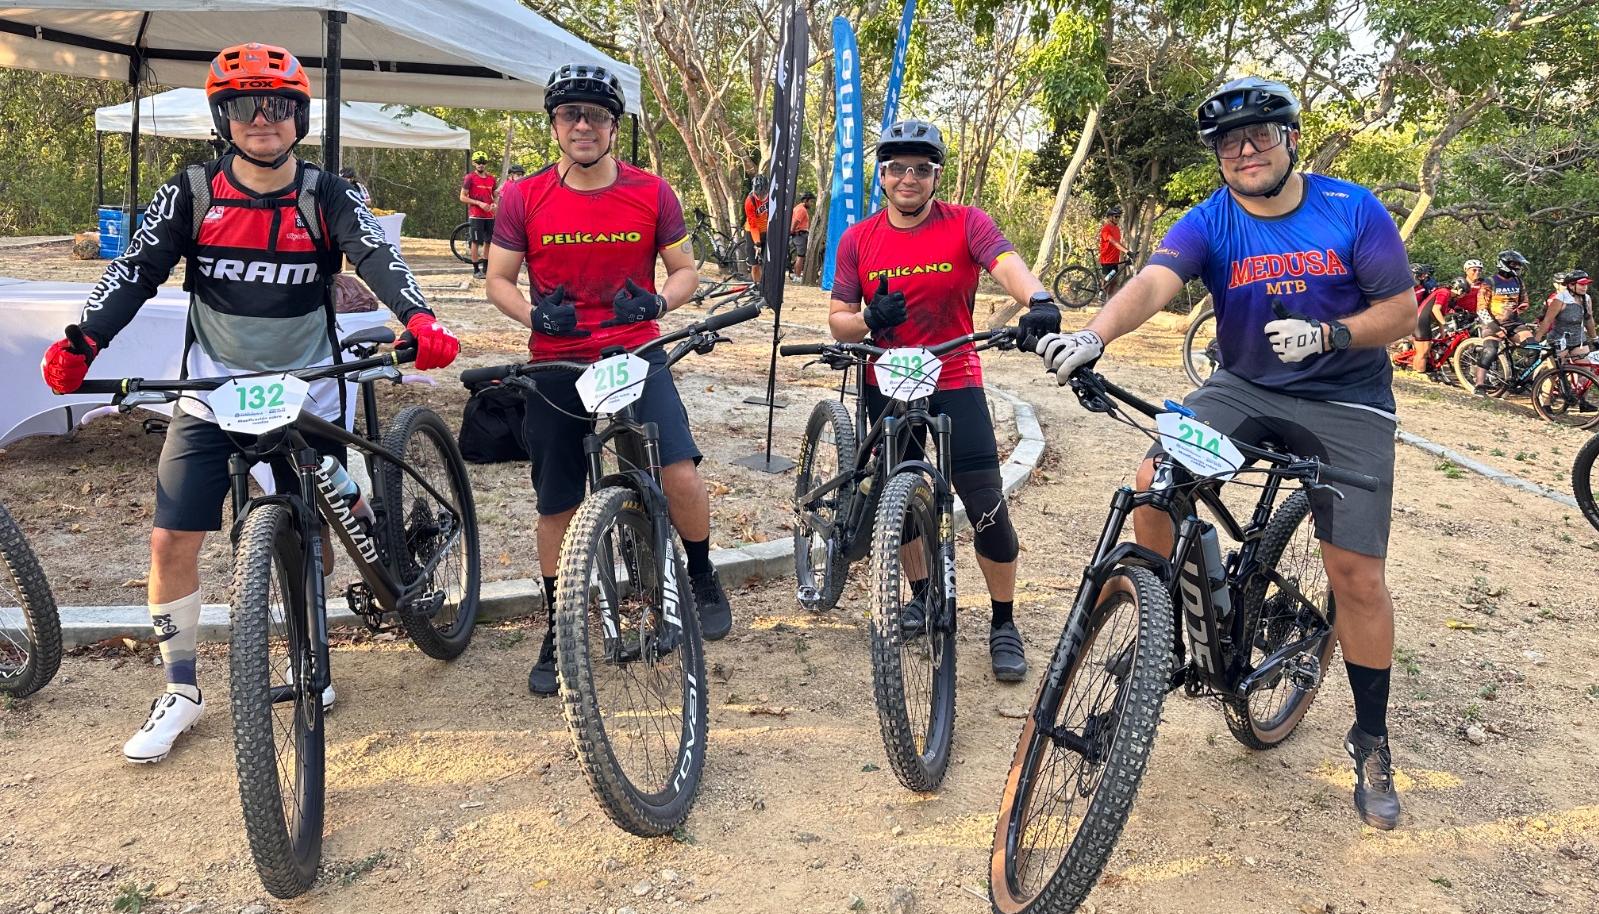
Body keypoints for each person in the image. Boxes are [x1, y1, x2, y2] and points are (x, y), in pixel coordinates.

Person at [38, 42, 460, 764]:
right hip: (213, 391)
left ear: (297, 118)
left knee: (310, 533)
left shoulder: (327, 192)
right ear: (222, 118)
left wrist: (415, 318)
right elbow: (136, 269)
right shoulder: (192, 190)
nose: (261, 121)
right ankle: (180, 688)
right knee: (172, 539)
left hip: (308, 385)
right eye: (244, 107)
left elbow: (375, 255)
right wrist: (84, 339)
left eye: (277, 107)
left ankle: (306, 646)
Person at [1035, 77, 1415, 829]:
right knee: (1153, 480)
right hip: (1245, 386)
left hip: (1347, 398)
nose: (1245, 150)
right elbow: (1154, 281)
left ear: (1289, 139)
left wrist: (1331, 334)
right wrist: (1092, 335)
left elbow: (1400, 312)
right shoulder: (1210, 219)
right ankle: (1166, 631)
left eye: (1260, 135)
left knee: (1356, 577)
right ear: (1216, 155)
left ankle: (1370, 739)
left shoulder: (1351, 209)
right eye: (1229, 142)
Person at [483, 64, 732, 696]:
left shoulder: (652, 192)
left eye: (596, 115)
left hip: (634, 350)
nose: (584, 125)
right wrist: (534, 313)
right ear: (556, 124)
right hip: (556, 359)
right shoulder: (523, 196)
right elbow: (498, 280)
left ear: (614, 127)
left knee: (678, 472)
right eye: (571, 114)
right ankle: (556, 624)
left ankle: (700, 572)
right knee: (557, 502)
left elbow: (684, 272)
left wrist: (657, 305)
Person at [830, 118, 1062, 682]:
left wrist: (1038, 297)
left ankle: (1003, 622)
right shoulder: (858, 239)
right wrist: (866, 319)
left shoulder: (965, 223)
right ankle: (922, 592)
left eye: (921, 169)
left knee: (984, 498)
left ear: (936, 176)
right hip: (886, 378)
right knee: (898, 492)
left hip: (954, 372)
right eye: (897, 168)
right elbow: (838, 323)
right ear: (881, 176)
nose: (908, 178)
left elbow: (1005, 263)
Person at [1473, 250, 1532, 394]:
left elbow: (1524, 300)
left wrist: (1523, 306)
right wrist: (1495, 328)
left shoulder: (1518, 281)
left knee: (1534, 349)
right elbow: (1481, 309)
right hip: (1491, 323)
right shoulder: (1489, 282)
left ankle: (1521, 378)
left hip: (1513, 323)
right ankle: (1479, 384)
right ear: (1503, 264)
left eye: (1519, 264)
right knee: (1490, 350)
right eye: (1514, 264)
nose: (1517, 267)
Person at [1411, 277, 1468, 377]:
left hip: (1422, 320)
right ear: (1459, 289)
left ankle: (1416, 372)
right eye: (1464, 293)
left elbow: (1440, 317)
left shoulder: (1447, 296)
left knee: (1423, 350)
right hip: (1421, 320)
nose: (1463, 296)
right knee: (1423, 351)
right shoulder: (1444, 292)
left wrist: (1443, 334)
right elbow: (1436, 310)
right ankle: (1419, 374)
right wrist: (1445, 325)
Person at [1536, 269, 1595, 358]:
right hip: (1559, 340)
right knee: (1558, 369)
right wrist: (1536, 340)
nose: (1585, 287)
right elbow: (1547, 320)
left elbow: (1589, 319)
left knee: (1585, 369)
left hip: (1579, 340)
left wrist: (1594, 338)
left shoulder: (1587, 298)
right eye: (1582, 284)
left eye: (1586, 284)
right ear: (1571, 285)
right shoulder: (1561, 298)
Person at [459, 152, 498, 279]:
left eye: (483, 162)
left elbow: (495, 195)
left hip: (489, 215)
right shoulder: (469, 178)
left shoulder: (492, 178)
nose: (481, 165)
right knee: (475, 242)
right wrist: (478, 203)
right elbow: (462, 197)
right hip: (476, 215)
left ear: (486, 163)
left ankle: (486, 268)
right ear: (474, 163)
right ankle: (476, 270)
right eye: (478, 162)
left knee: (489, 241)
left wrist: (494, 204)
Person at [1098, 205, 1132, 297]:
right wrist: (1126, 251)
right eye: (1116, 216)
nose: (1118, 218)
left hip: (1114, 259)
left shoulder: (1117, 229)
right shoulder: (1106, 229)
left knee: (1113, 282)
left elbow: (1118, 243)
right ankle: (1100, 293)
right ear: (1110, 217)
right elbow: (1113, 242)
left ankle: (1108, 300)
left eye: (1119, 217)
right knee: (1109, 277)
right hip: (1106, 259)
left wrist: (1129, 251)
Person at [744, 174, 771, 282]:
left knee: (768, 262)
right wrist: (757, 243)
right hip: (752, 232)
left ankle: (767, 285)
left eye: (763, 194)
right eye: (758, 194)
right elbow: (753, 224)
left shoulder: (771, 196)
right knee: (755, 264)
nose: (760, 197)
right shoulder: (749, 201)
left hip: (767, 231)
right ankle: (756, 286)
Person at [789, 190, 815, 281]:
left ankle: (796, 275)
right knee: (801, 256)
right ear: (805, 200)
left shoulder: (798, 207)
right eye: (811, 201)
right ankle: (797, 276)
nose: (811, 203)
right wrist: (792, 231)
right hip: (800, 234)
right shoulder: (802, 209)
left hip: (798, 234)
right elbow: (796, 221)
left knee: (799, 256)